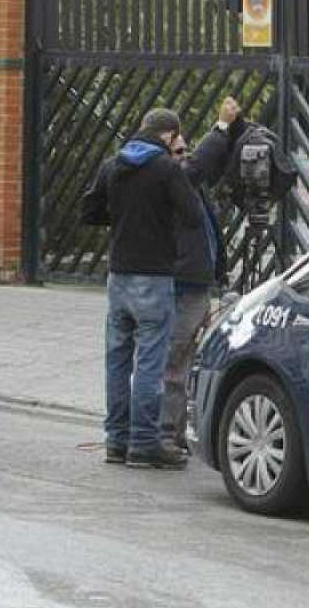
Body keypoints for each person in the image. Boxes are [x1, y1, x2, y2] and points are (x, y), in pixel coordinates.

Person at [79, 108, 201, 470]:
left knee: (117, 360)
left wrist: (120, 219)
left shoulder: (113, 164)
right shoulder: (165, 168)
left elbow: (88, 211)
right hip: (154, 275)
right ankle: (144, 443)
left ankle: (116, 440)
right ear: (170, 135)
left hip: (118, 275)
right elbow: (192, 215)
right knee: (149, 362)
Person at [158, 97, 245, 462]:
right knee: (174, 362)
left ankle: (175, 433)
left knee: (185, 360)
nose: (183, 156)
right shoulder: (169, 178)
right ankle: (164, 434)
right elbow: (194, 168)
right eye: (176, 150)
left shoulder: (189, 186)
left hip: (195, 284)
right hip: (180, 286)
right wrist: (221, 126)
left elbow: (205, 169)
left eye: (185, 150)